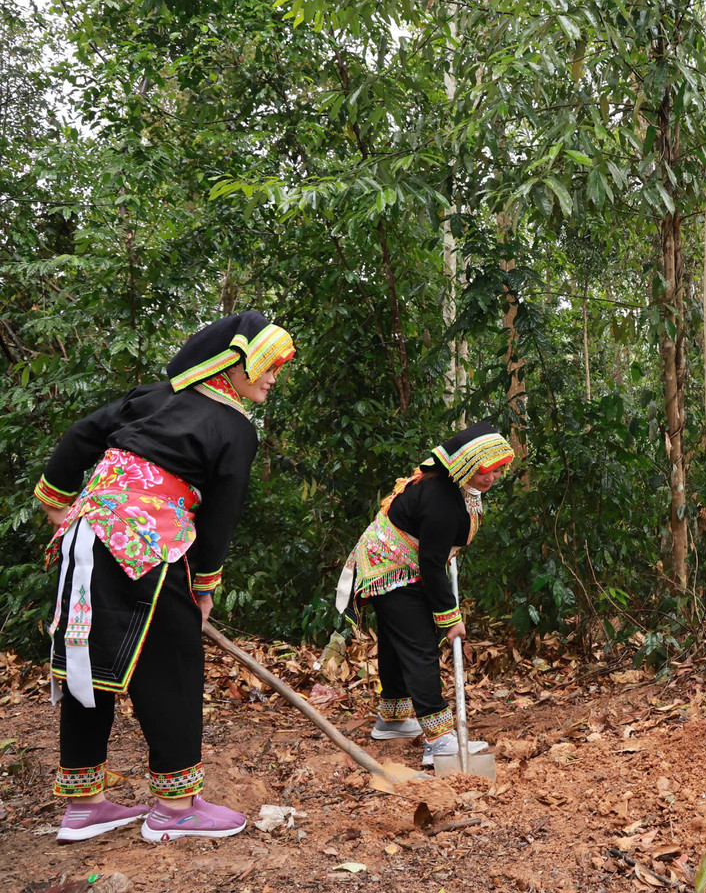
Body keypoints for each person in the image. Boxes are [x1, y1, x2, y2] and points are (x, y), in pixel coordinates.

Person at [35, 311, 295, 842]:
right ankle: (176, 807)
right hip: (142, 546)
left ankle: (84, 806)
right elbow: (219, 518)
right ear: (232, 365)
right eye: (267, 365)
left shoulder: (151, 398)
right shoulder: (234, 428)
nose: (273, 377)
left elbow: (80, 436)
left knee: (89, 658)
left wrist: (58, 502)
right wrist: (203, 588)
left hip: (84, 536)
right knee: (172, 660)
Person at [336, 422, 514, 765]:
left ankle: (393, 720)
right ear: (464, 466)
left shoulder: (455, 487)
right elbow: (431, 563)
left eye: (497, 471)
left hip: (395, 562)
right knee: (419, 644)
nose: (491, 478)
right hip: (390, 566)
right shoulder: (442, 499)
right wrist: (450, 619)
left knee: (396, 638)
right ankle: (439, 739)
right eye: (483, 472)